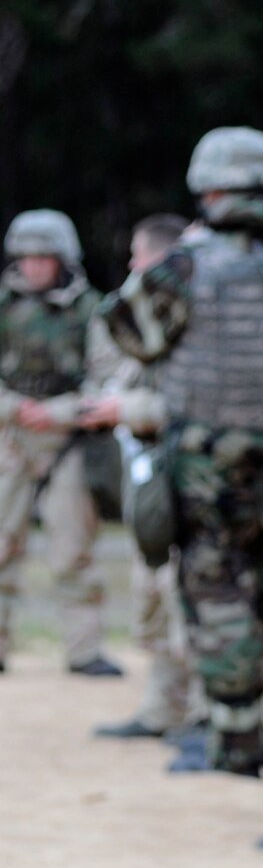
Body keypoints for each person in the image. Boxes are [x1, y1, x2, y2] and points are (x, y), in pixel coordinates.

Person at [103, 127, 263, 776]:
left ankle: (235, 741)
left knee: (218, 594)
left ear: (208, 189)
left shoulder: (186, 264)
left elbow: (125, 330)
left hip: (209, 460)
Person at [91, 214, 204, 741]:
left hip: (186, 475)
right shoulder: (149, 322)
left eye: (138, 257)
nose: (133, 268)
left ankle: (207, 717)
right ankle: (162, 709)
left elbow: (189, 403)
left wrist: (122, 406)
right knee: (152, 600)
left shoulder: (196, 316)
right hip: (149, 476)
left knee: (187, 600)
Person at [0, 209, 121, 678]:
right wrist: (15, 409)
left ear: (62, 259)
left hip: (68, 442)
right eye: (26, 258)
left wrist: (60, 413)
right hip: (10, 439)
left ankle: (84, 649)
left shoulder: (90, 309)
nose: (33, 267)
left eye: (43, 258)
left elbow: (108, 378)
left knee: (74, 549)